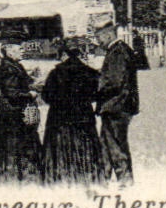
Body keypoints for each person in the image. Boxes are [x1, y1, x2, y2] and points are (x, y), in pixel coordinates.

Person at [39, 40, 103, 186]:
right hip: (83, 120)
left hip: (60, 121)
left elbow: (46, 96)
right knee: (85, 152)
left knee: (61, 153)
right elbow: (96, 94)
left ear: (64, 55)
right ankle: (86, 179)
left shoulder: (56, 73)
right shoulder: (90, 72)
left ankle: (63, 180)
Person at [94, 22, 139, 185]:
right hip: (116, 105)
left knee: (116, 144)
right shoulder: (119, 50)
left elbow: (114, 82)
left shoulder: (117, 52)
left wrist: (95, 89)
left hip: (117, 105)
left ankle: (125, 179)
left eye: (99, 37)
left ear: (108, 35)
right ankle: (103, 178)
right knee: (106, 143)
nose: (98, 41)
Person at [0, 40, 42, 185]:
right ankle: (12, 179)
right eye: (19, 49)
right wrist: (29, 95)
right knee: (12, 147)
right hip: (10, 114)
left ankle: (21, 177)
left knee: (20, 146)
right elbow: (11, 93)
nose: (22, 51)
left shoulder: (15, 65)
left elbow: (23, 83)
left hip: (15, 113)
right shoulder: (8, 68)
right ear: (9, 51)